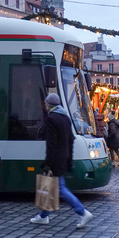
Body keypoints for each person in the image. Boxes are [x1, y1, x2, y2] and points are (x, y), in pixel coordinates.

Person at [30, 93, 94, 228]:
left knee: (60, 188)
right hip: (64, 157)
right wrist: (69, 159)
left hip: (56, 159)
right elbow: (70, 140)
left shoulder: (51, 119)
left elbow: (51, 144)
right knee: (50, 186)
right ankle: (43, 215)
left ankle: (82, 212)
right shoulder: (65, 117)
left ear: (48, 105)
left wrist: (48, 164)